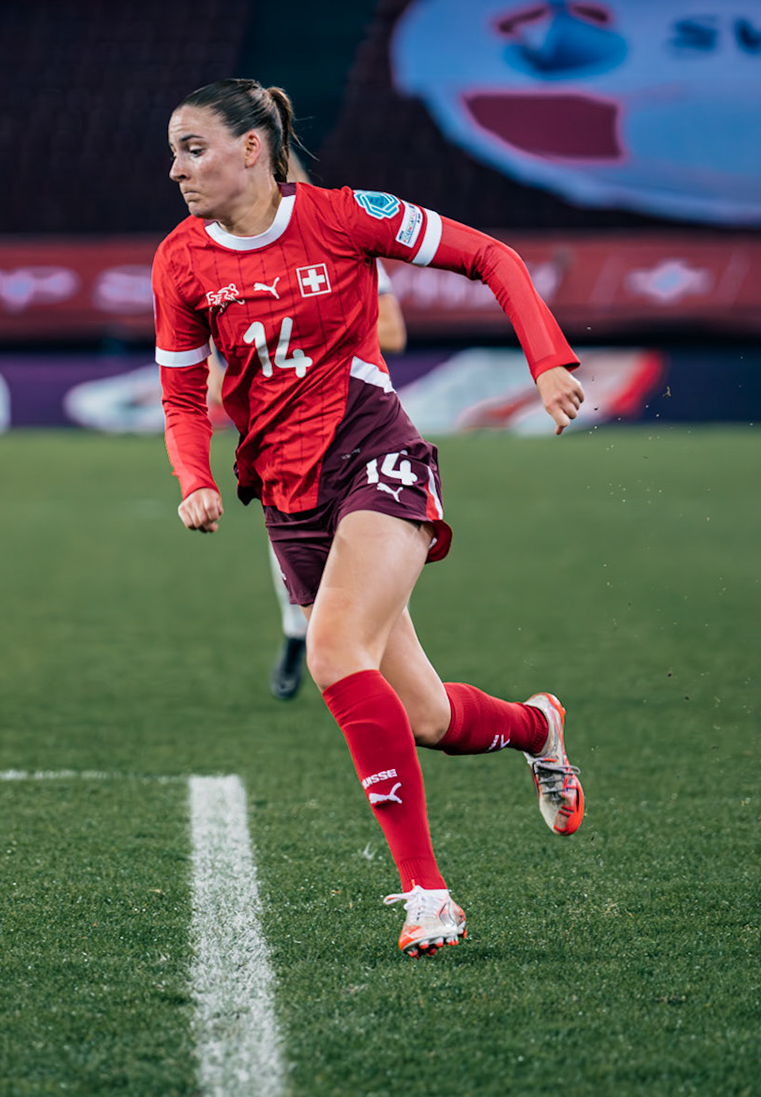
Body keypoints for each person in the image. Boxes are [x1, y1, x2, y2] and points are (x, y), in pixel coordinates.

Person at [153, 78, 586, 957]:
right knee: (430, 721)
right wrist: (195, 478)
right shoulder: (180, 260)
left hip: (375, 454)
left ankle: (429, 895)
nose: (177, 170)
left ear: (252, 147)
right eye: (172, 152)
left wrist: (548, 363)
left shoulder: (347, 217)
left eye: (193, 148)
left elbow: (493, 257)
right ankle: (537, 726)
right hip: (286, 493)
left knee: (333, 652)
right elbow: (179, 393)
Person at [211, 256, 406, 701]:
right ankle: (297, 633)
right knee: (295, 551)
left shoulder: (348, 250)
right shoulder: (222, 263)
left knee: (376, 543)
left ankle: (375, 658)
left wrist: (323, 339)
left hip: (357, 429)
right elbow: (203, 367)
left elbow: (394, 334)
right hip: (285, 441)